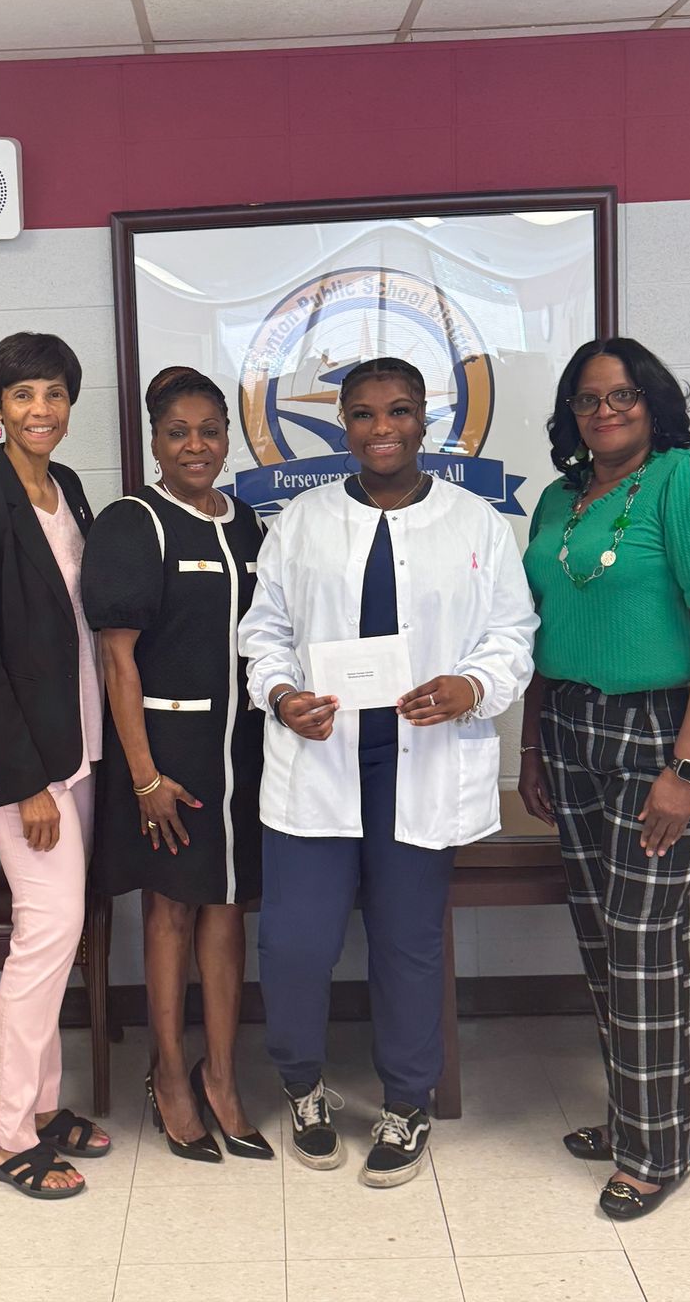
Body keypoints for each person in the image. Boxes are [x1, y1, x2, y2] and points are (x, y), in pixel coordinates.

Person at [239, 356, 536, 1186]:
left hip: (421, 764)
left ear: (425, 420)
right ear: (341, 423)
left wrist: (471, 686)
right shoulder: (299, 522)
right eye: (363, 413)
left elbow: (512, 636)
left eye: (398, 411)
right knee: (296, 942)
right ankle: (303, 1085)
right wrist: (282, 691)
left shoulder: (475, 524)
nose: (380, 428)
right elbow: (263, 632)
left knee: (407, 943)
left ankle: (408, 1101)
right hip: (317, 761)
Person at [519, 336, 690, 1220]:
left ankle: (658, 1149)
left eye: (622, 395)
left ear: (655, 401)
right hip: (578, 725)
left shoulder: (688, 484)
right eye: (588, 399)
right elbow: (543, 627)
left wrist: (688, 769)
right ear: (570, 414)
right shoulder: (561, 498)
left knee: (648, 934)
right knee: (601, 931)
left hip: (670, 729)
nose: (605, 411)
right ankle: (638, 1116)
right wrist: (533, 746)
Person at [0, 332, 109, 1200]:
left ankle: (40, 1106)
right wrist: (25, 781)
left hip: (72, 747)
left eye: (54, 394)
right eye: (23, 395)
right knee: (45, 934)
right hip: (22, 764)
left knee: (60, 931)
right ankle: (7, 1135)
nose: (41, 410)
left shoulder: (64, 487)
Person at [81, 367, 271, 1161]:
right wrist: (146, 778)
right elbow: (116, 663)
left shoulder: (247, 520)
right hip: (166, 760)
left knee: (227, 911)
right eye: (177, 432)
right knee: (171, 912)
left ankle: (222, 1075)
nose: (196, 445)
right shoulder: (134, 521)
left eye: (209, 430)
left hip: (244, 752)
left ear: (228, 435)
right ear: (154, 440)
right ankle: (168, 1077)